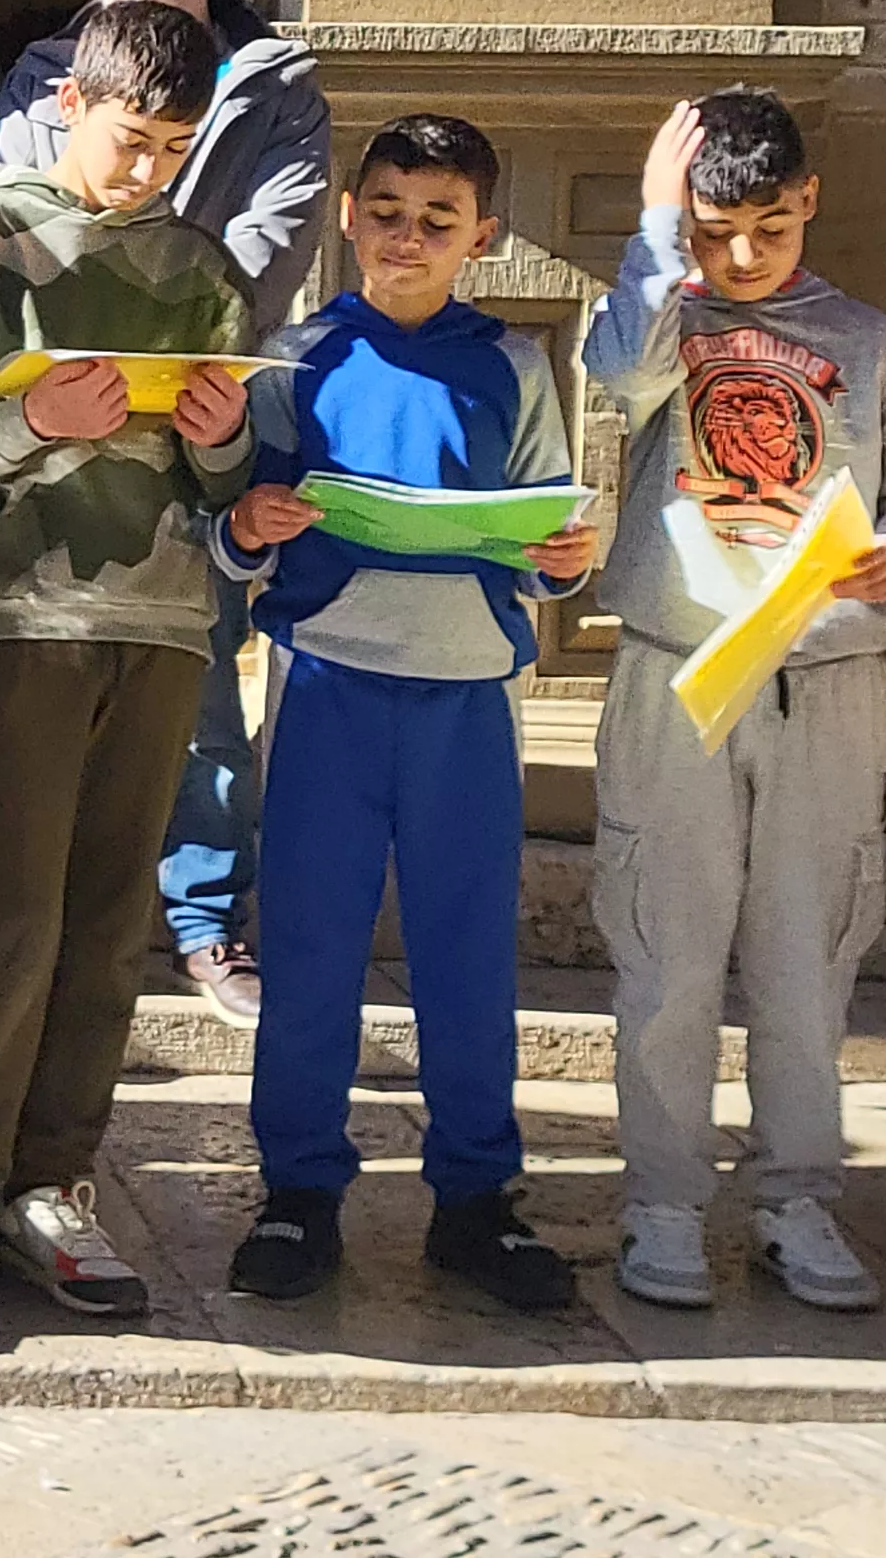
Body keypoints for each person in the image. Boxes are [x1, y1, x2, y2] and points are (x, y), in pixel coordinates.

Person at [0, 0, 252, 1321]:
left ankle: (57, 1180)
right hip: (17, 613)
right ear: (67, 107)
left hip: (162, 622)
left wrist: (219, 439)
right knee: (18, 913)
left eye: (175, 143)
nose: (147, 167)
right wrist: (26, 420)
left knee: (111, 926)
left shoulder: (203, 265)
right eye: (129, 137)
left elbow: (232, 477)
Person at [209, 115, 596, 1314]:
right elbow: (232, 522)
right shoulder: (300, 353)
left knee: (466, 953)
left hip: (466, 692)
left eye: (437, 220)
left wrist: (566, 554)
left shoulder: (513, 366)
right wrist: (249, 524)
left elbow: (547, 542)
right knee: (312, 944)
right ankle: (298, 1188)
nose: (406, 237)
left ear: (480, 235)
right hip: (326, 680)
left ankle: (477, 1196)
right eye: (385, 210)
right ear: (347, 213)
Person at [582, 88, 886, 1317]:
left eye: (768, 231)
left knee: (807, 953)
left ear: (808, 205)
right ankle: (663, 1197)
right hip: (677, 665)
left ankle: (796, 1194)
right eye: (716, 229)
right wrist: (650, 231)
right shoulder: (663, 310)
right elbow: (616, 375)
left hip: (827, 675)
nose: (742, 256)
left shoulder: (867, 337)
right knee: (667, 951)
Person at [0, 0, 331, 1031]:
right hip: (57, 413)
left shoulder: (275, 83)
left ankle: (199, 920)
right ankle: (75, 918)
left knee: (193, 669)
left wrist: (146, 303)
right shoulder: (47, 71)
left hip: (199, 407)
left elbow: (271, 242)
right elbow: (11, 218)